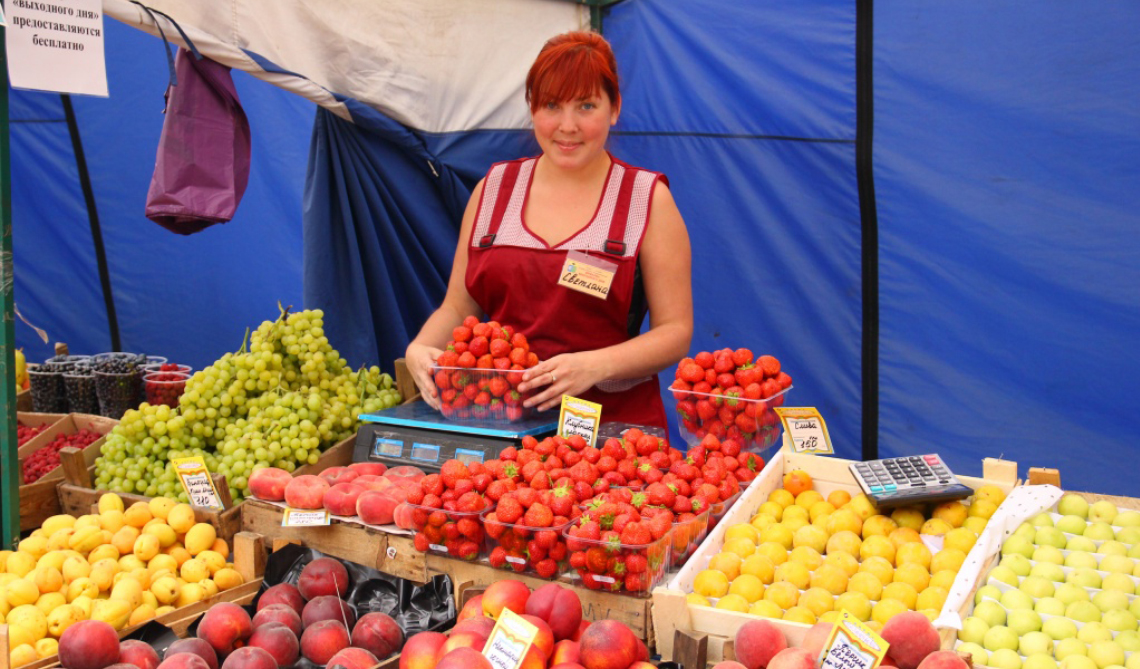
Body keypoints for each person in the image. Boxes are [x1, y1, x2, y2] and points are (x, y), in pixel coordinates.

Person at [405, 30, 692, 430]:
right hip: (500, 424)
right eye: (552, 105)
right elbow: (458, 306)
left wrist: (595, 365)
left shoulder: (647, 199)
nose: (567, 126)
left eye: (587, 105)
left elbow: (675, 331)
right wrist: (421, 347)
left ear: (614, 109)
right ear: (532, 108)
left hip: (613, 433)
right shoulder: (493, 190)